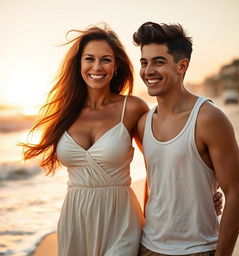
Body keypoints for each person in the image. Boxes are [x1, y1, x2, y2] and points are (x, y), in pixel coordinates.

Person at [22, 23, 222, 256]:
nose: (97, 67)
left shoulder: (132, 108)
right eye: (89, 59)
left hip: (121, 220)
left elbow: (163, 159)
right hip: (75, 220)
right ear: (79, 64)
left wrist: (205, 192)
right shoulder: (63, 113)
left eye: (106, 59)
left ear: (116, 65)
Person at [133, 22, 239, 256]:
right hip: (148, 247)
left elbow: (236, 193)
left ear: (182, 65)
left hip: (198, 249)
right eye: (144, 62)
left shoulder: (209, 119)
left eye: (159, 62)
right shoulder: (144, 122)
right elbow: (158, 182)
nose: (148, 70)